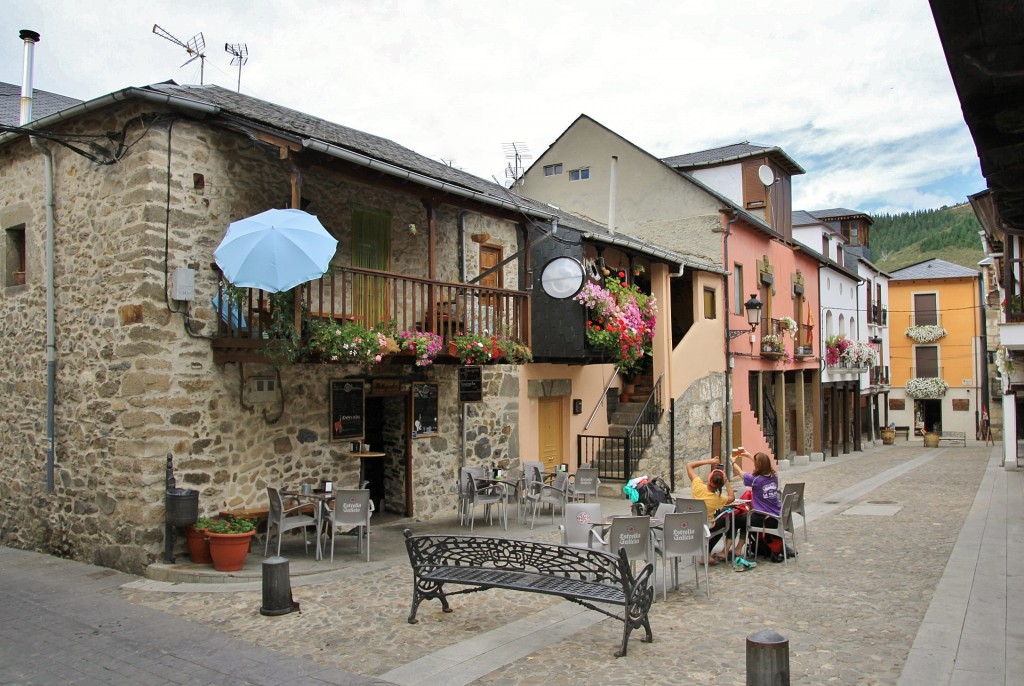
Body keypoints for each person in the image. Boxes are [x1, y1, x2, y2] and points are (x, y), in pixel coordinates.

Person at [686, 457, 747, 564]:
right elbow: (732, 497)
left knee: (720, 521)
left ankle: (708, 553)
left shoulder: (697, 485)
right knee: (727, 521)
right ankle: (709, 553)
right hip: (707, 526)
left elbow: (689, 465)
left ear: (709, 479)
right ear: (720, 486)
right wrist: (726, 480)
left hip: (691, 524)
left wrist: (710, 461)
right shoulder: (718, 499)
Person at [741, 451, 784, 562]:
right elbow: (762, 466)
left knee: (738, 520)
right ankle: (754, 545)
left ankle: (736, 549)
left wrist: (732, 462)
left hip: (765, 519)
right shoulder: (774, 476)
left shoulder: (756, 480)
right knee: (745, 518)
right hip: (776, 517)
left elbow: (741, 473)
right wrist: (748, 455)